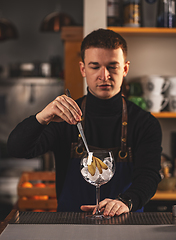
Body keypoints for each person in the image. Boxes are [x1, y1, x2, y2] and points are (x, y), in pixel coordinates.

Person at [7, 28, 162, 217]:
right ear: (83, 69)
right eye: (95, 66)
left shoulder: (145, 123)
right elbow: (17, 149)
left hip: (126, 223)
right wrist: (42, 117)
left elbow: (149, 175)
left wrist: (126, 201)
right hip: (70, 224)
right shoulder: (64, 117)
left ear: (125, 68)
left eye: (112, 66)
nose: (104, 75)